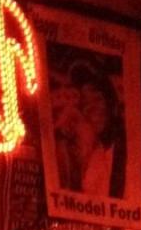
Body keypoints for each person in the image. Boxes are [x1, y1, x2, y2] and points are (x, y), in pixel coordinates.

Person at [53, 58, 126, 199]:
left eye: (97, 99)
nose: (91, 108)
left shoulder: (126, 151)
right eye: (84, 103)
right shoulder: (81, 154)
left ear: (111, 102)